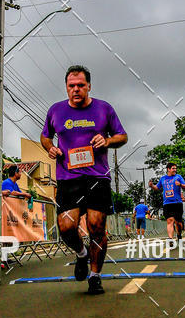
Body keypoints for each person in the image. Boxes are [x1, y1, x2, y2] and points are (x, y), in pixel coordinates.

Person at [41, 65, 128, 295]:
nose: (76, 89)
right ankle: (81, 254)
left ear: (89, 86)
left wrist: (107, 141)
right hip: (68, 177)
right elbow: (45, 136)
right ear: (66, 87)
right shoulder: (56, 111)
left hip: (97, 176)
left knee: (96, 225)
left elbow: (122, 136)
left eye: (81, 85)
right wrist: (50, 148)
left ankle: (95, 276)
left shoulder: (104, 108)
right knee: (66, 226)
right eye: (72, 86)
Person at [149, 162, 185, 241]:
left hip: (177, 203)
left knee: (178, 222)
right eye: (173, 168)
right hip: (167, 203)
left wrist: (180, 184)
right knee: (170, 221)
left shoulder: (178, 177)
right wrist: (152, 186)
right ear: (168, 169)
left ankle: (179, 234)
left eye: (175, 168)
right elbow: (157, 188)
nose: (175, 170)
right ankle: (170, 238)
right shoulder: (163, 178)